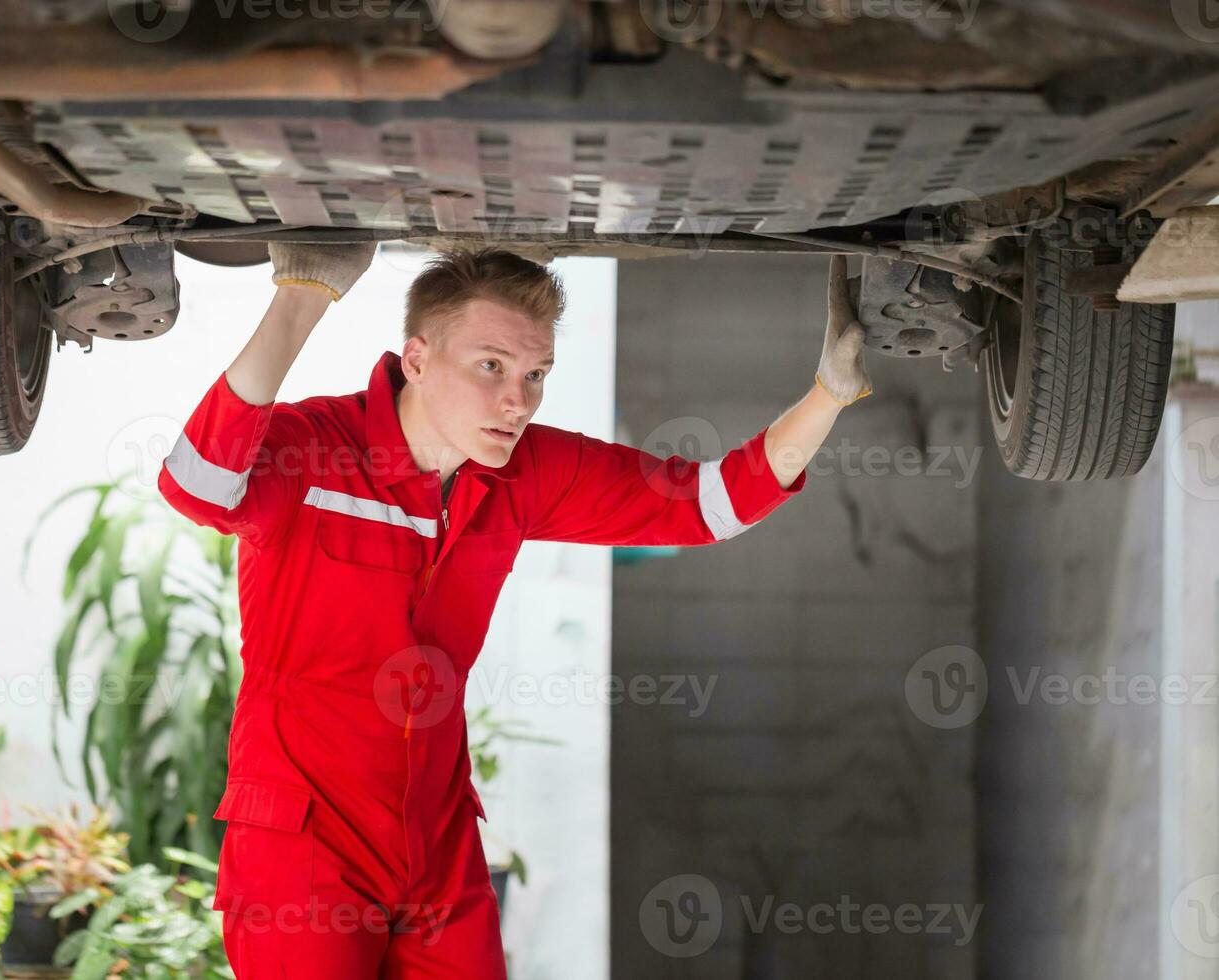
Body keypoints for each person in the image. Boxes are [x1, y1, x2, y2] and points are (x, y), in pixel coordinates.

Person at [157, 242, 872, 978]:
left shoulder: (523, 471)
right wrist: (303, 292)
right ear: (417, 358)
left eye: (536, 375)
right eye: (491, 366)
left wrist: (828, 392)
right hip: (306, 843)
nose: (518, 401)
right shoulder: (316, 450)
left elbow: (706, 505)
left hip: (435, 841)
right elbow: (196, 483)